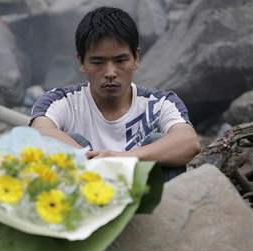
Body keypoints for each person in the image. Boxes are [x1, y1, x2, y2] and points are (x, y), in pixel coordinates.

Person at [31, 7, 200, 171]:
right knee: (70, 144)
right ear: (81, 62)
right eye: (98, 62)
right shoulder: (60, 101)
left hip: (145, 195)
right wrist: (93, 162)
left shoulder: (160, 103)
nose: (110, 73)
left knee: (159, 141)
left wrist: (122, 158)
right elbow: (40, 132)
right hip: (83, 193)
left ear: (136, 58)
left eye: (120, 61)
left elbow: (188, 141)